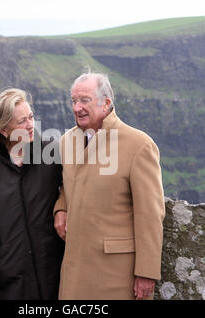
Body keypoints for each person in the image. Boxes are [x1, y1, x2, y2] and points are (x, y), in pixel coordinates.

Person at [53, 72, 165, 300]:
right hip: (74, 269)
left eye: (84, 100)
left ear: (106, 103)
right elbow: (67, 182)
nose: (77, 108)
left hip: (116, 274)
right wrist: (61, 207)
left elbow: (151, 214)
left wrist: (146, 272)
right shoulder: (67, 141)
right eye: (73, 101)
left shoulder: (139, 145)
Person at [0, 88, 64, 299]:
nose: (30, 125)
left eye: (31, 117)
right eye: (22, 121)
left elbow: (77, 188)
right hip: (6, 285)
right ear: (4, 130)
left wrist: (62, 207)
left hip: (53, 277)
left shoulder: (50, 154)